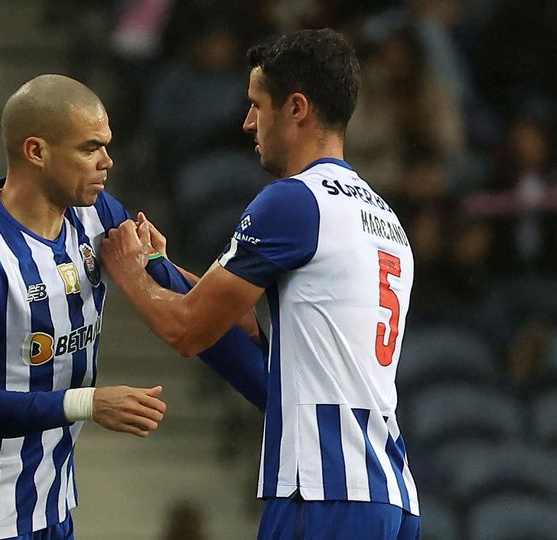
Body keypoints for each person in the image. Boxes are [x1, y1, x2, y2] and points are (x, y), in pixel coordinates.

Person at [100, 29, 421, 539]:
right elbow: (262, 343)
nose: (248, 122)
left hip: (321, 492)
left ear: (296, 108)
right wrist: (160, 265)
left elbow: (187, 328)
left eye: (256, 105)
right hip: (389, 493)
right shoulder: (382, 217)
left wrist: (129, 273)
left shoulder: (293, 202)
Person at [0, 74, 267, 540]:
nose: (108, 161)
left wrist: (276, 397)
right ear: (36, 152)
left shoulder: (97, 214)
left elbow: (190, 306)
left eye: (106, 145)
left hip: (54, 502)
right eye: (90, 149)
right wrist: (90, 403)